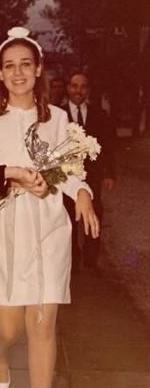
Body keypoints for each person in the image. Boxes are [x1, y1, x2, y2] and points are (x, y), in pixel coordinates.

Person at [0, 27, 99, 388]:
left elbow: (70, 169)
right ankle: (0, 353)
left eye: (26, 64)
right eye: (9, 66)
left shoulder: (57, 119)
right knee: (9, 327)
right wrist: (13, 176)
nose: (18, 73)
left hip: (46, 228)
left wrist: (81, 193)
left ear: (39, 70)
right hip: (1, 229)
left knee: (43, 323)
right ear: (0, 74)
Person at [62, 71, 116, 273]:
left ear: (88, 90)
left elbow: (108, 146)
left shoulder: (99, 115)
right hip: (66, 176)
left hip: (92, 176)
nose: (78, 91)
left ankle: (91, 262)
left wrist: (110, 173)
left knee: (94, 215)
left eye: (83, 86)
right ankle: (72, 261)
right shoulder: (58, 115)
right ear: (68, 88)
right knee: (68, 218)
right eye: (74, 86)